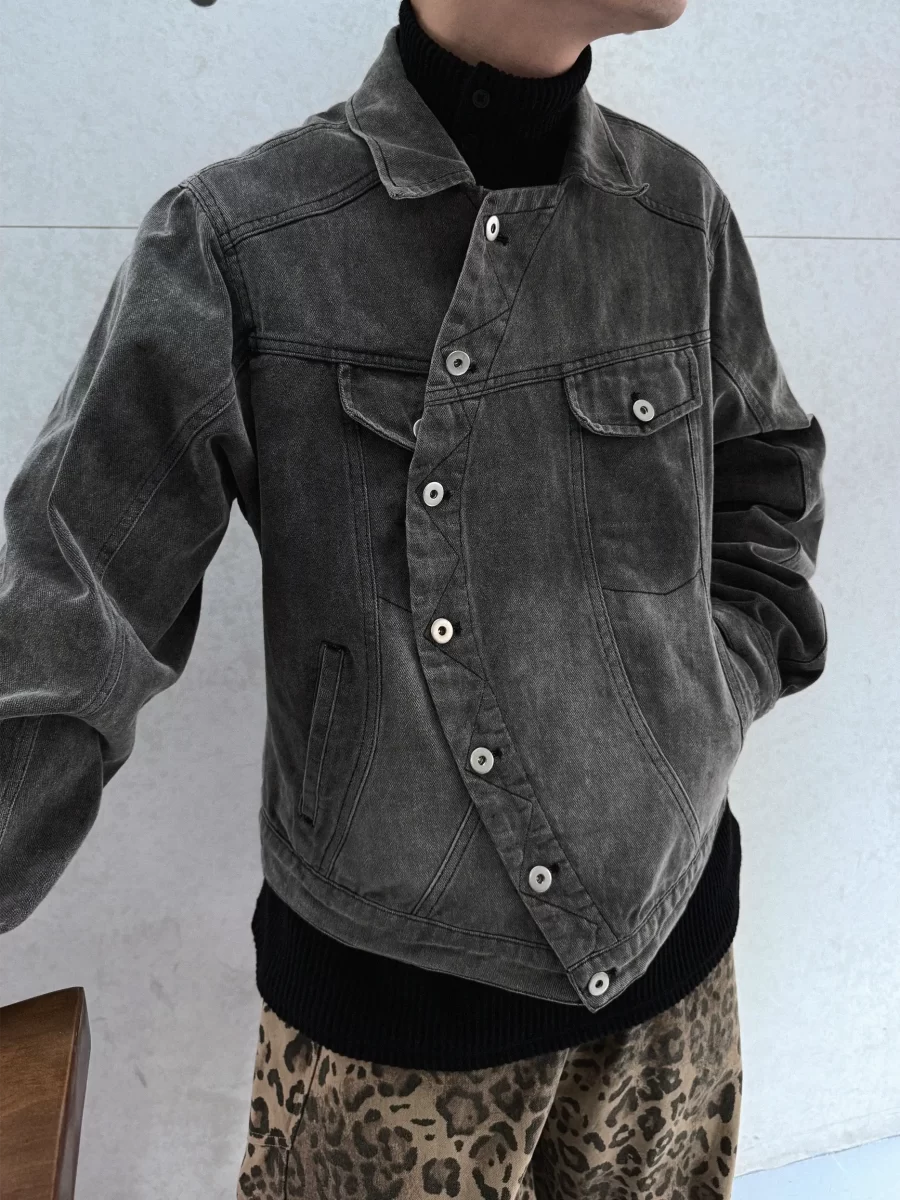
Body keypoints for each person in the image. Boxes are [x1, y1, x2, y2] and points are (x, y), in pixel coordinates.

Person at [0, 0, 827, 1196]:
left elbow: (766, 481)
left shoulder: (674, 211)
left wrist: (704, 693)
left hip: (675, 974)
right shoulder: (241, 238)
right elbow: (71, 618)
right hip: (392, 1030)